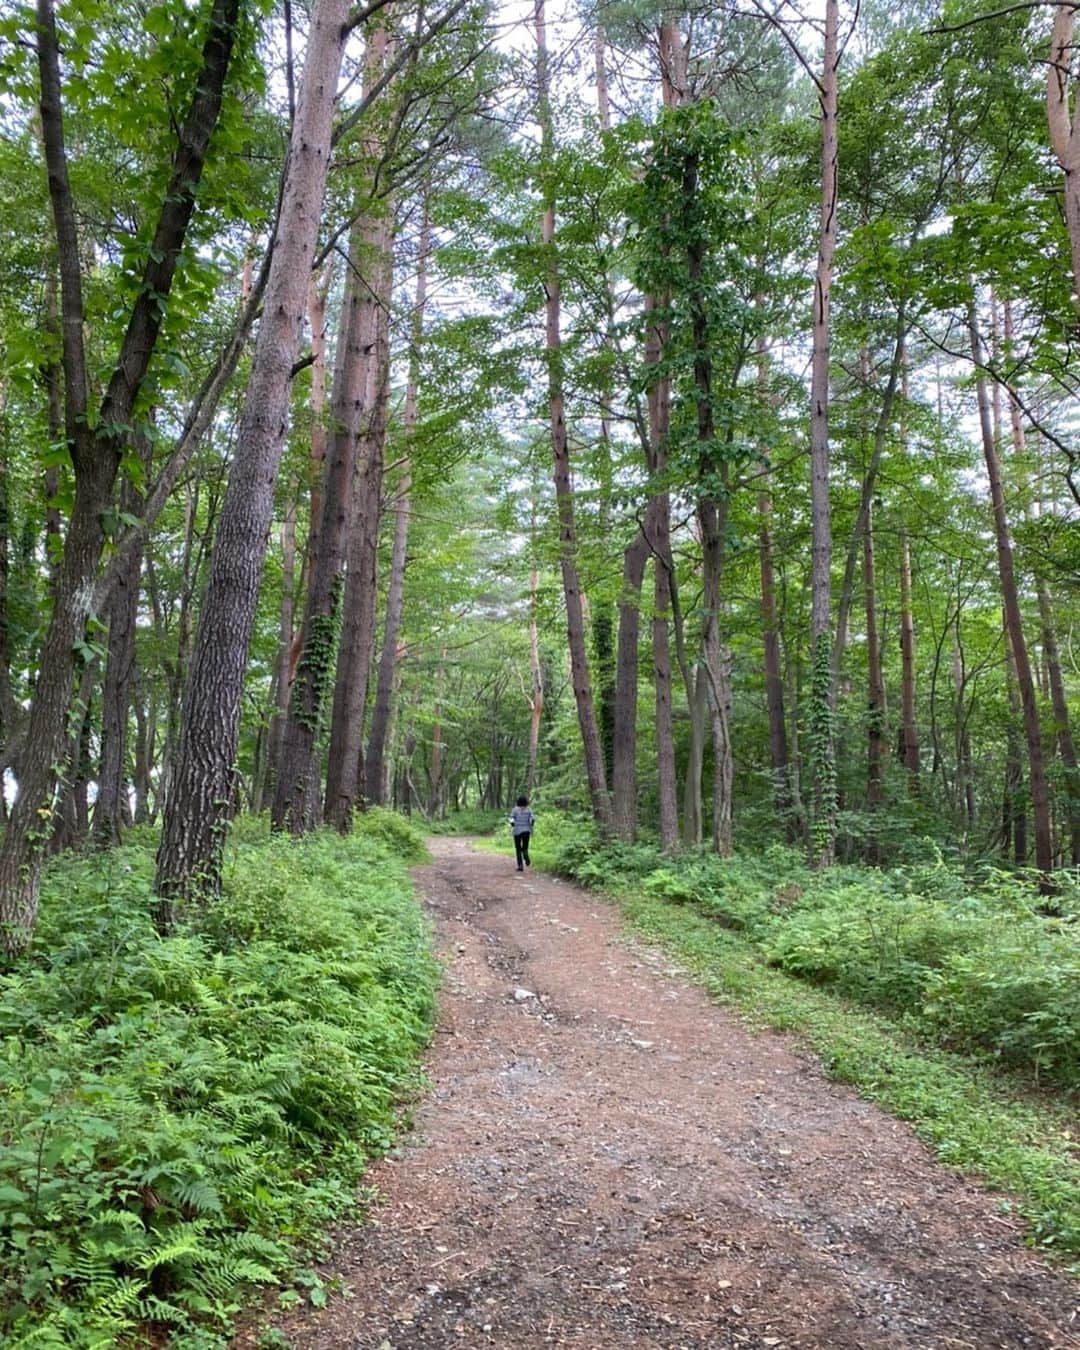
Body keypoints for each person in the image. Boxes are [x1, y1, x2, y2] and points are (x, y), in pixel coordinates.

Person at [508, 795, 534, 872]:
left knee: (518, 848)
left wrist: (513, 824)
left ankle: (520, 866)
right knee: (525, 847)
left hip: (517, 831)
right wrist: (531, 824)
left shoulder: (515, 810)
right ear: (526, 802)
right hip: (527, 831)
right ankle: (526, 857)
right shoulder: (529, 809)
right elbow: (532, 818)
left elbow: (511, 818)